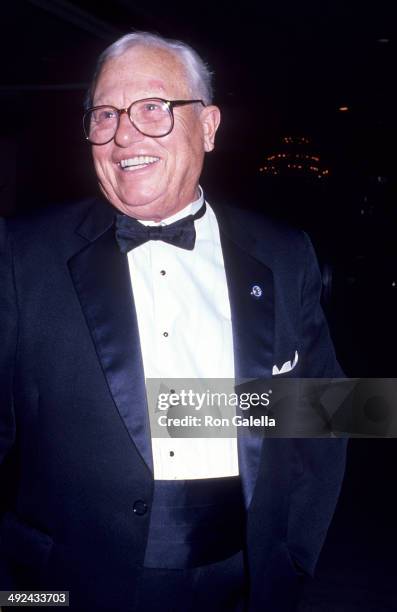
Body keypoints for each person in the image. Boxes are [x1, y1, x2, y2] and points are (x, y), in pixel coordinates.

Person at [0, 31, 347, 611]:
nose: (124, 133)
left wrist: (290, 558)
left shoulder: (286, 254)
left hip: (246, 577)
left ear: (208, 126)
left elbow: (333, 416)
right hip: (66, 585)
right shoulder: (19, 255)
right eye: (105, 113)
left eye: (154, 108)